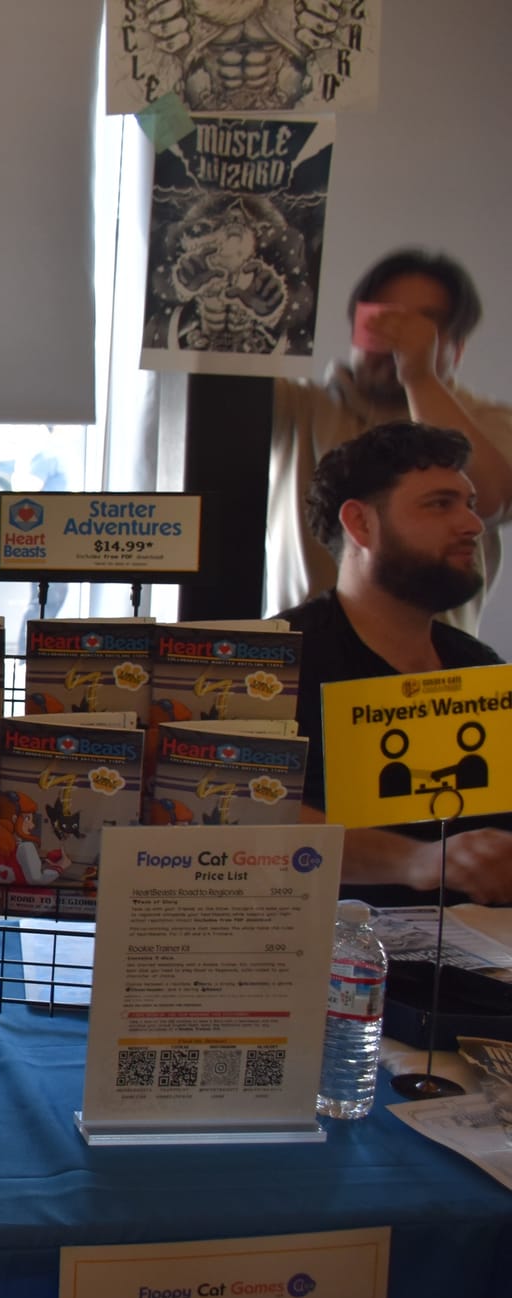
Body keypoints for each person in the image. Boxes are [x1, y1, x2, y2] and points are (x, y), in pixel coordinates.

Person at [279, 420, 512, 905]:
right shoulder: (273, 668)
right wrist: (418, 862)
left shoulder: (479, 669)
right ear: (361, 523)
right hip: (332, 967)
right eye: (440, 504)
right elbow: (239, 817)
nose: (472, 525)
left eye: (469, 505)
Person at [268, 249, 512, 636]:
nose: (397, 332)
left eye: (424, 323)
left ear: (458, 348)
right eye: (381, 315)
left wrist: (419, 375)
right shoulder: (297, 405)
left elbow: (492, 500)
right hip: (303, 662)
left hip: (437, 675)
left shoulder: (488, 421)